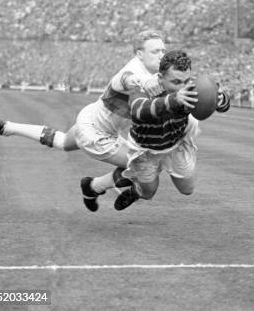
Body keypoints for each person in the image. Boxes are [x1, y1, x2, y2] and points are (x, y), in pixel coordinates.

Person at [0, 30, 167, 210]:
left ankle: (4, 127)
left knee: (62, 141)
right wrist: (144, 84)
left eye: (163, 50)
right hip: (97, 135)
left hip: (90, 119)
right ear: (139, 54)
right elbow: (126, 79)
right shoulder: (133, 71)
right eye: (155, 51)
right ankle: (95, 186)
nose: (161, 55)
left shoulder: (155, 75)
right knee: (149, 172)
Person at [84, 49, 230, 211]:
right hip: (146, 149)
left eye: (186, 80)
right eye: (175, 82)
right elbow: (138, 110)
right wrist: (173, 100)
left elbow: (221, 106)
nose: (182, 87)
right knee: (148, 192)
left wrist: (220, 98)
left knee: (187, 189)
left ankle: (131, 183)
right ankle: (135, 188)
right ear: (160, 78)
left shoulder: (190, 87)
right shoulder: (143, 87)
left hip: (177, 143)